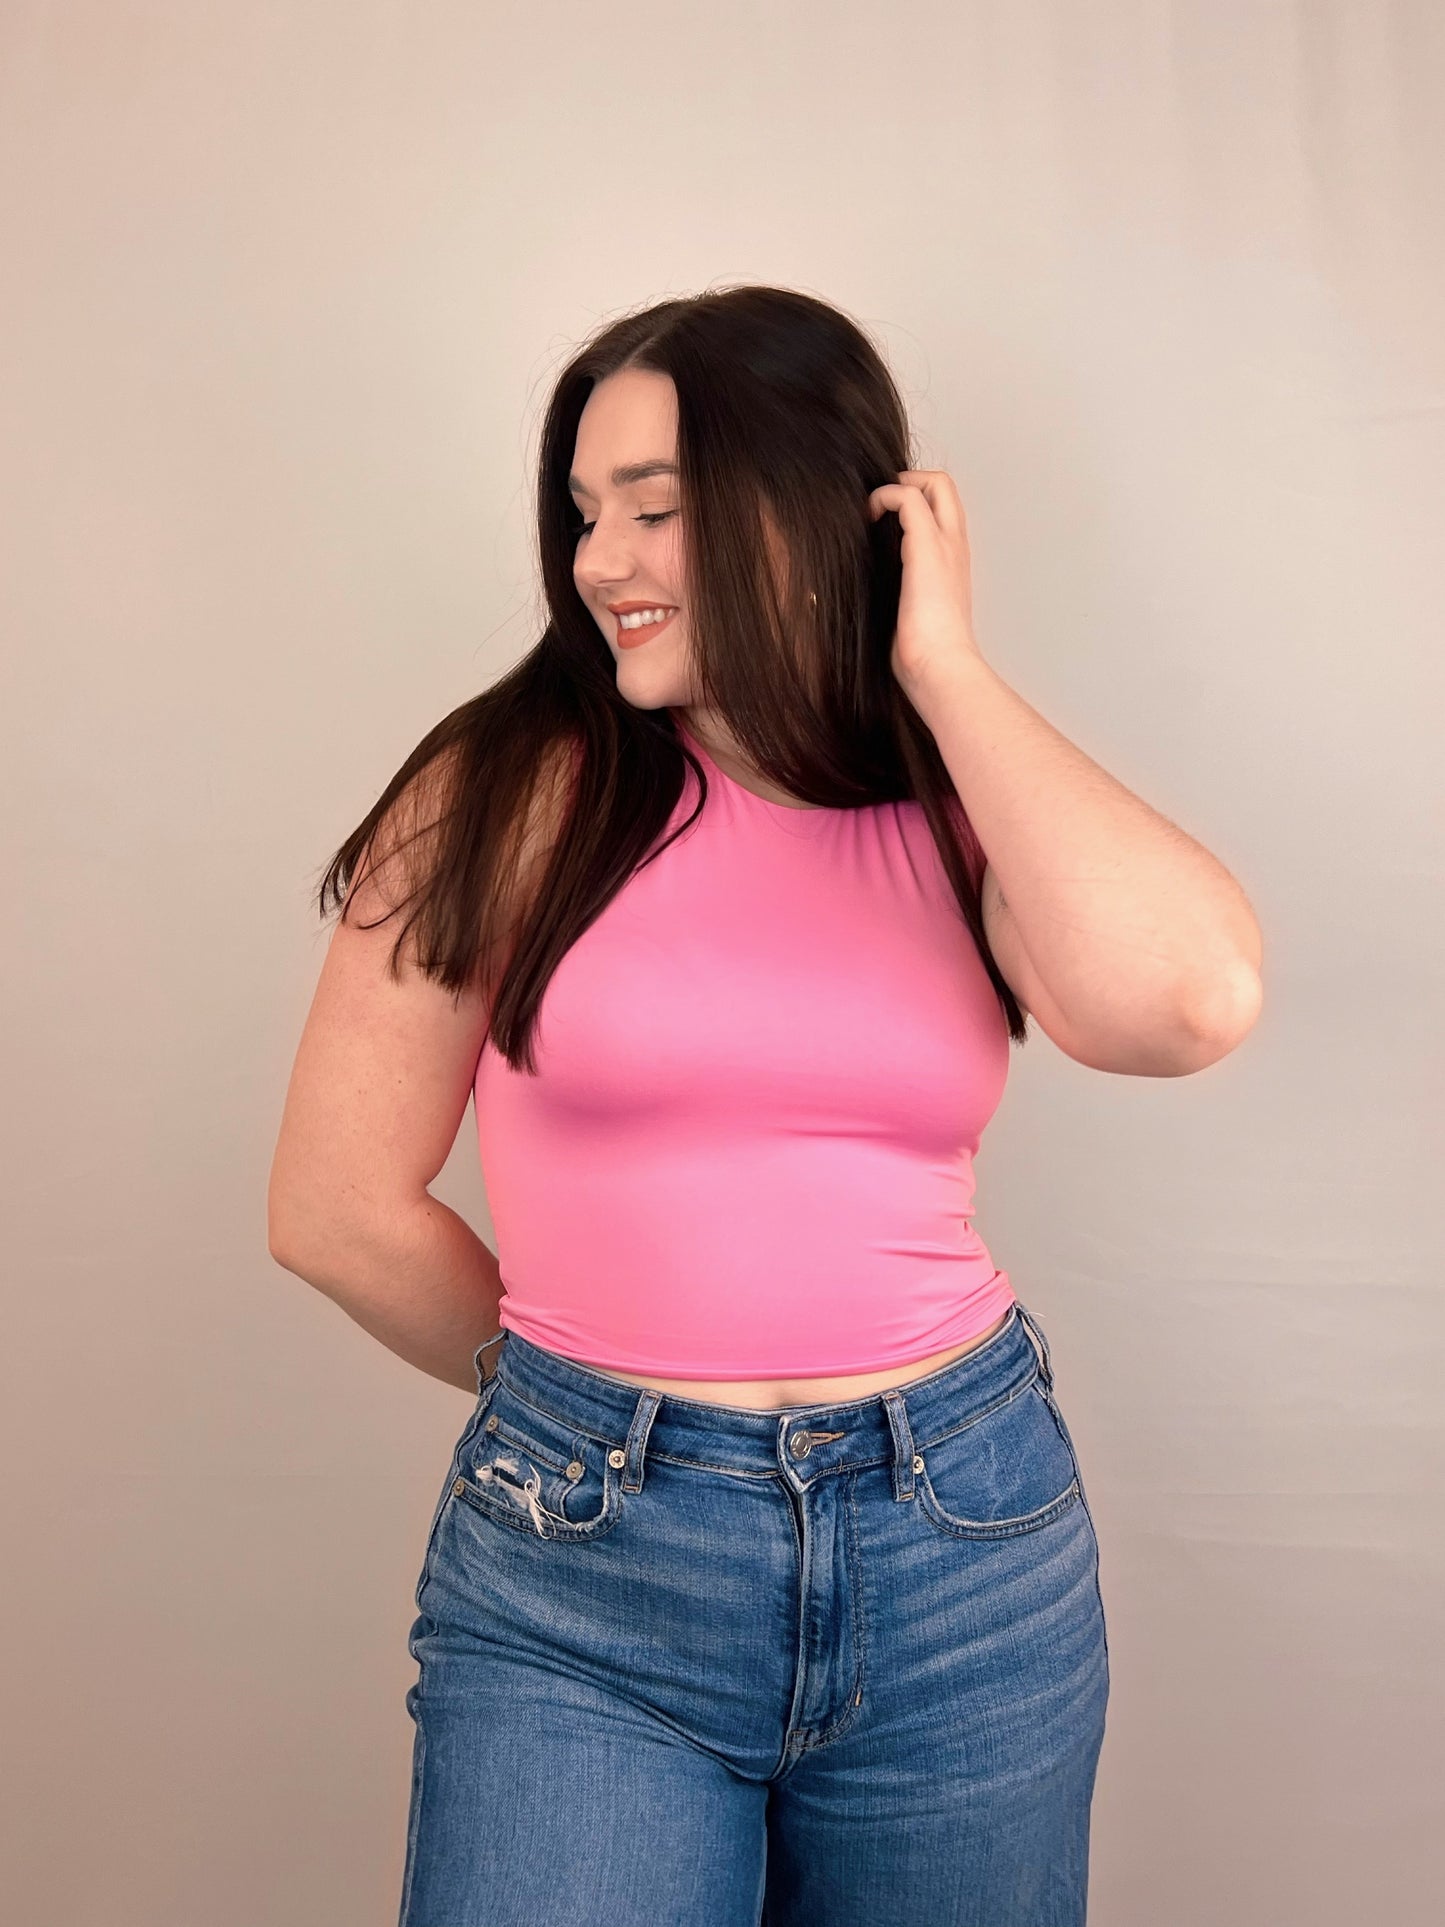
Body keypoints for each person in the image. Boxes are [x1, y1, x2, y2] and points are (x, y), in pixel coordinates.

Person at [268, 286, 1261, 1925]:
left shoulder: (953, 809)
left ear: (806, 517)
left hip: (965, 1543)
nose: (598, 562)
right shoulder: (503, 792)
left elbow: (1185, 1003)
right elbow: (334, 1209)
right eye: (586, 513)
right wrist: (594, 1420)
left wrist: (937, 663)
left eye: (653, 510)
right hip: (586, 1578)